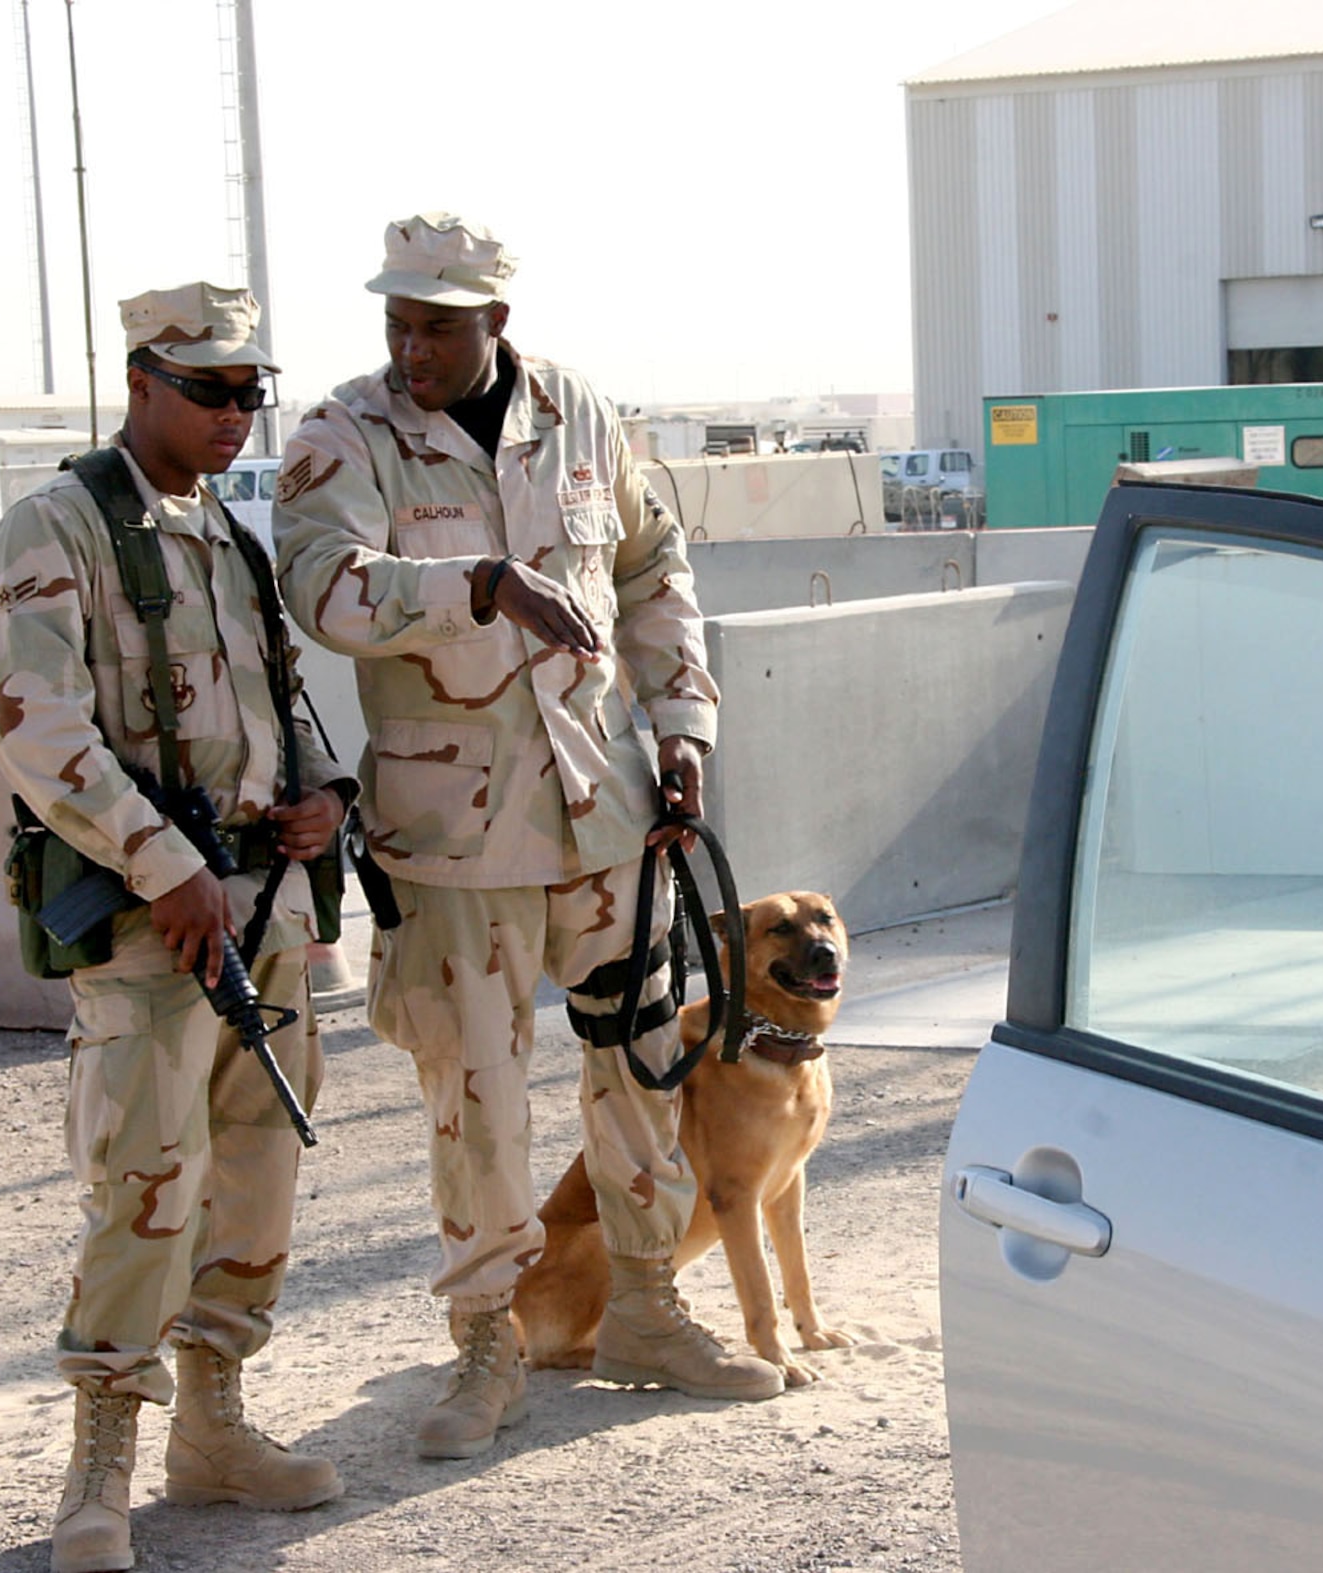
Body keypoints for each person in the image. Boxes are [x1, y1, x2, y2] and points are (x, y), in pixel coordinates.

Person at [274, 213, 782, 1462]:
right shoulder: (345, 434)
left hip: (604, 813)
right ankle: (486, 1345)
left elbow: (653, 568)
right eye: (396, 321)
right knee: (477, 1095)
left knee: (642, 1065)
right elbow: (320, 587)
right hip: (451, 839)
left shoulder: (579, 414)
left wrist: (682, 726)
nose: (410, 347)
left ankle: (646, 1307)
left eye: (435, 326)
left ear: (495, 320)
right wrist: (477, 583)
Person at [0, 283, 353, 1573]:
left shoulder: (228, 537)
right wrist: (160, 860)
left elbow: (279, 702)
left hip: (261, 916)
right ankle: (101, 1463)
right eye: (211, 390)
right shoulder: (59, 525)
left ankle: (214, 1427)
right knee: (144, 1182)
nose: (236, 414)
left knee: (257, 1174)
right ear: (141, 382)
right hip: (151, 926)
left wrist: (323, 794)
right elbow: (32, 723)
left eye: (252, 392)